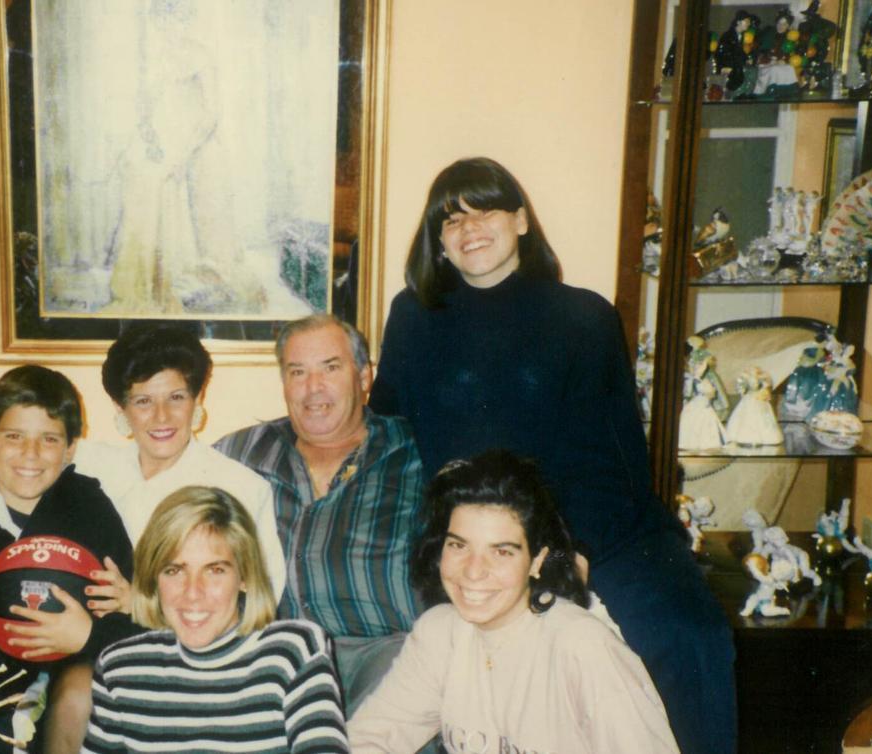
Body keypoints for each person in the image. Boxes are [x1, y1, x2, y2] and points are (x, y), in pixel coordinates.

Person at [368, 158, 735, 754]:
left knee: (686, 634)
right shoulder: (413, 316)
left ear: (519, 221)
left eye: (485, 210)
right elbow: (385, 424)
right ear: (437, 240)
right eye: (451, 219)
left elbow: (614, 458)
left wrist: (576, 552)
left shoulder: (583, 316)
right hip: (479, 530)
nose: (470, 228)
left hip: (592, 521)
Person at [0, 325, 284, 753]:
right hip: (68, 639)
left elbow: (256, 609)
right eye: (143, 400)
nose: (161, 417)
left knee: (77, 694)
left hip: (171, 647)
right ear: (122, 410)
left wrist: (142, 602)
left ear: (197, 404)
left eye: (176, 397)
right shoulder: (96, 462)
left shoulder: (240, 488)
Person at [348, 450, 678, 753]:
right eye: (459, 546)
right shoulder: (440, 634)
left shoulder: (583, 648)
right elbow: (370, 740)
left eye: (502, 551)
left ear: (537, 561)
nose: (474, 571)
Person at [214, 314, 426, 715]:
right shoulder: (239, 454)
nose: (314, 388)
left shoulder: (414, 452)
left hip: (387, 656)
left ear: (364, 378)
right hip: (269, 657)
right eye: (298, 372)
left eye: (330, 368)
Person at [0, 365, 139, 754]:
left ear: (69, 450)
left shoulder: (90, 509)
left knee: (78, 694)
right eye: (14, 436)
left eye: (48, 439)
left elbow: (128, 624)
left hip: (72, 671)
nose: (30, 454)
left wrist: (87, 635)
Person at [84, 485, 348, 753]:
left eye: (215, 570)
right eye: (174, 570)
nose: (193, 593)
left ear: (244, 576)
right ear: (153, 578)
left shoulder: (293, 651)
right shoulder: (118, 668)